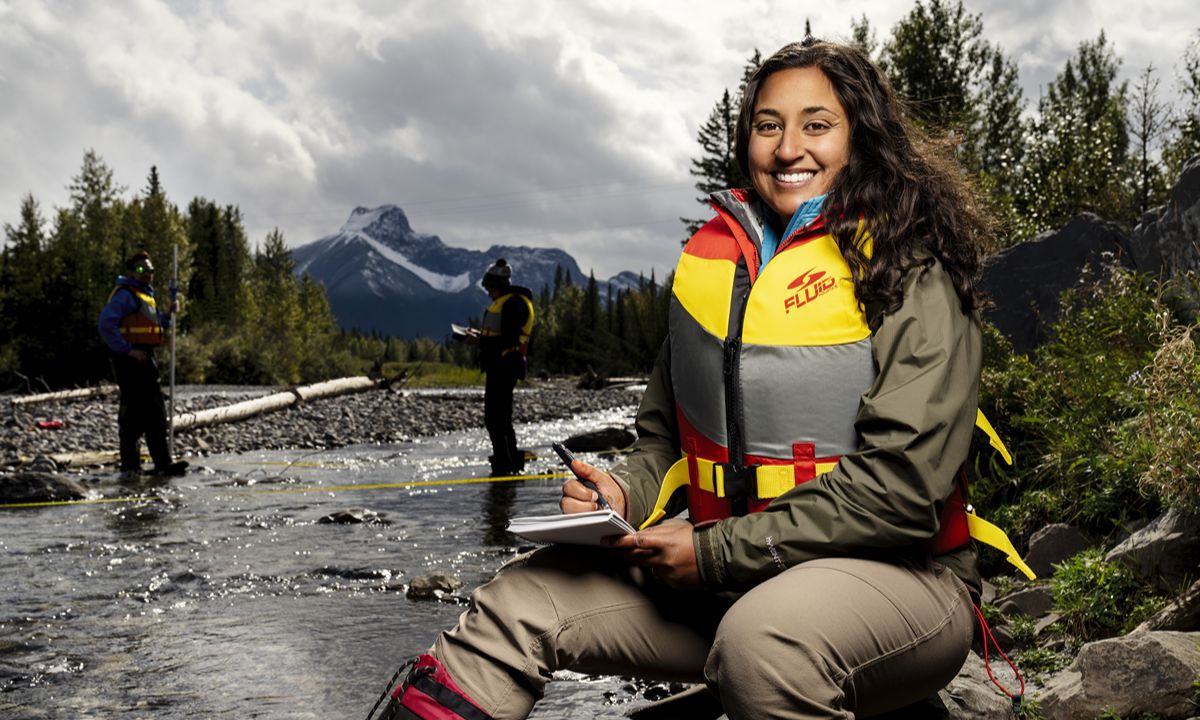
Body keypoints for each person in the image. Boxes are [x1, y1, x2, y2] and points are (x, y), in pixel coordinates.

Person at [377, 37, 1023, 720]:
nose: (787, 147)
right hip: (730, 581)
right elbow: (663, 437)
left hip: (904, 587)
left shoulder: (912, 269)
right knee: (517, 602)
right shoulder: (720, 270)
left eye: (817, 124)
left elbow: (903, 490)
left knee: (765, 645)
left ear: (862, 137)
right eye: (769, 125)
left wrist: (714, 553)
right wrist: (623, 492)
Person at [97, 251, 188, 479]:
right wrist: (128, 350)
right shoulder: (125, 295)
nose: (147, 274)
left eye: (150, 270)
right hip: (130, 360)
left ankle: (156, 465)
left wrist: (167, 315)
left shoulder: (145, 296)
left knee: (152, 412)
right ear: (131, 272)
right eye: (141, 270)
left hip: (145, 357)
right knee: (136, 412)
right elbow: (106, 325)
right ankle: (133, 467)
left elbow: (152, 327)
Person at [476, 259, 535, 477]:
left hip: (505, 365)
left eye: (490, 288)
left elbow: (509, 339)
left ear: (497, 286)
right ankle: (510, 464)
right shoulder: (511, 301)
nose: (488, 293)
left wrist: (480, 342)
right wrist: (480, 338)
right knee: (501, 418)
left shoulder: (513, 304)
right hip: (501, 366)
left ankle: (504, 467)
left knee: (495, 419)